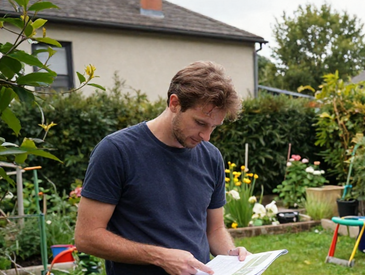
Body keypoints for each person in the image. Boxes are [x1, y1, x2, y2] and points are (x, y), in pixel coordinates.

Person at [74, 61, 248, 275]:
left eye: (213, 127)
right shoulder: (116, 151)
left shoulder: (211, 157)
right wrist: (159, 257)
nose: (206, 136)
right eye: (200, 123)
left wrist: (232, 255)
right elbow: (87, 237)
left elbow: (215, 229)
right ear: (174, 103)